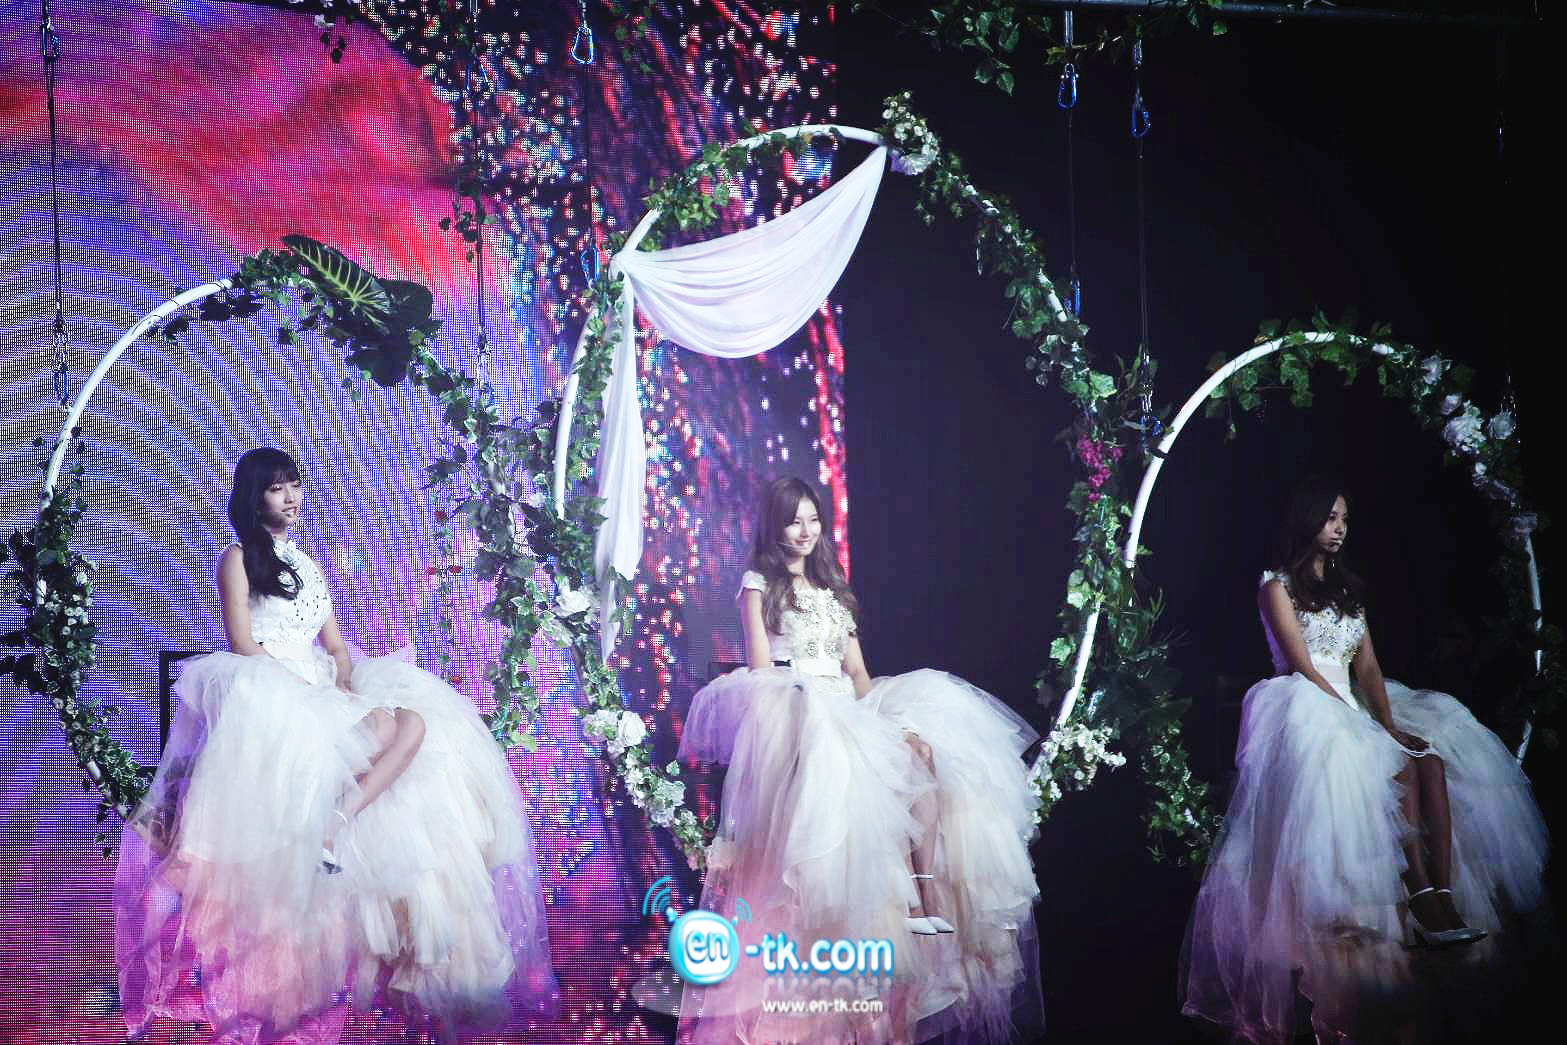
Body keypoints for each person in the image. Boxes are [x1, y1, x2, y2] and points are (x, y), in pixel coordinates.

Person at [114, 447, 558, 1044]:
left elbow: (337, 645)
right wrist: (301, 689)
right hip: (271, 690)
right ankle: (322, 845)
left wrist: (343, 680)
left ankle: (337, 819)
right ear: (255, 497)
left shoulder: (307, 563)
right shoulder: (239, 559)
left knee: (416, 724)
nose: (292, 497)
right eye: (278, 487)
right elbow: (243, 643)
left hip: (320, 686)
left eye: (296, 485)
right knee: (384, 738)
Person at [1181, 477, 1549, 1044]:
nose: (1340, 529)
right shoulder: (1276, 586)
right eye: (1331, 518)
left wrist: (1386, 721)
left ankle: (1441, 897)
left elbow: (1370, 668)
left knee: (1427, 756)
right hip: (1308, 705)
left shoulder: (1348, 592)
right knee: (1390, 764)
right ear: (1307, 520)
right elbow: (1303, 665)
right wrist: (1358, 725)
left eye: (1345, 519)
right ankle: (1420, 893)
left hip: (1353, 700)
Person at [677, 477, 1043, 1043]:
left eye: (813, 519)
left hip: (848, 706)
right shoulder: (759, 585)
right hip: (801, 710)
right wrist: (811, 710)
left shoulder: (831, 586)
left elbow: (859, 674)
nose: (805, 531)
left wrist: (887, 721)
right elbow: (760, 673)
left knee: (922, 750)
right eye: (794, 521)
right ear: (775, 526)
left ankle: (927, 899)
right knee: (846, 771)